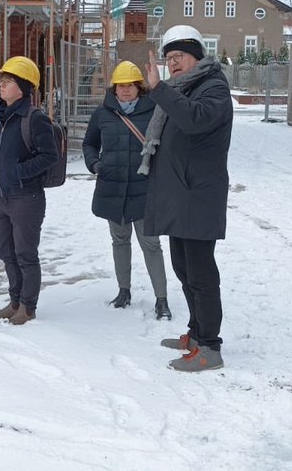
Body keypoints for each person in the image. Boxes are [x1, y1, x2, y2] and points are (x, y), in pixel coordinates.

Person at [140, 25, 233, 372]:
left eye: (179, 56)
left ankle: (210, 346)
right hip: (182, 195)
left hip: (199, 195)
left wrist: (159, 90)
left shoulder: (214, 88)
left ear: (196, 56)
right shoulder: (186, 88)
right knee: (184, 269)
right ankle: (196, 333)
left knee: (201, 274)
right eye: (169, 58)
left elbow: (194, 119)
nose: (173, 63)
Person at [82, 61, 171, 320]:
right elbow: (89, 143)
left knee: (151, 245)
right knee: (120, 241)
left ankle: (161, 299)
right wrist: (95, 164)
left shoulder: (154, 111)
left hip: (144, 190)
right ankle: (124, 291)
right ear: (114, 88)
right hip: (113, 188)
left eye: (130, 85)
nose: (125, 90)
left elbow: (167, 146)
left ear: (139, 87)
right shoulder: (103, 114)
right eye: (121, 86)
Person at [0, 55, 59, 325]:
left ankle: (28, 307)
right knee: (6, 252)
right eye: (2, 80)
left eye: (9, 81)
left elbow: (49, 156)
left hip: (26, 197)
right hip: (1, 195)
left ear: (24, 87)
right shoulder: (1, 115)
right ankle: (14, 300)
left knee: (25, 254)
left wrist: (18, 172)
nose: (2, 85)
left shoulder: (34, 118)